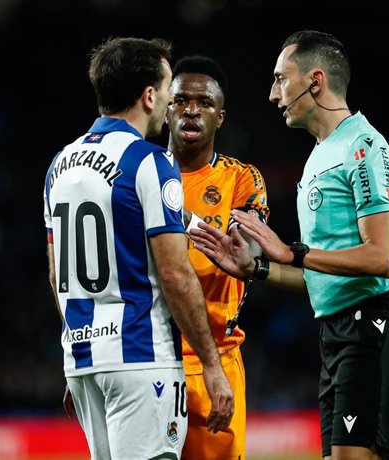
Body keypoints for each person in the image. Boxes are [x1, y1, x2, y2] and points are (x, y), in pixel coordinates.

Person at [189, 30, 389, 460]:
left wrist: (290, 252)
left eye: (281, 79)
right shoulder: (320, 155)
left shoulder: (363, 148)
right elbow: (320, 275)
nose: (274, 93)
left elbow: (381, 258)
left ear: (315, 81)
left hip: (374, 321)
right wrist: (255, 270)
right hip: (337, 328)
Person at [43, 37, 233, 459]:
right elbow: (175, 273)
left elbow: (59, 274)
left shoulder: (60, 165)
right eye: (167, 89)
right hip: (142, 359)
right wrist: (213, 367)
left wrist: (82, 351)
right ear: (149, 96)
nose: (171, 102)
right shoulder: (151, 161)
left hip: (82, 359)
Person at [166, 55, 270, 459]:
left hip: (215, 357)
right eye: (182, 100)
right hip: (146, 355)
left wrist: (179, 215)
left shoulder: (241, 178)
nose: (192, 109)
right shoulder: (137, 172)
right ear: (165, 109)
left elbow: (250, 251)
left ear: (220, 117)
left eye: (205, 103)